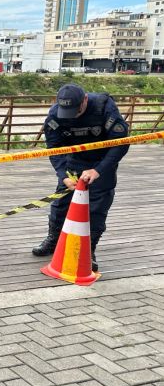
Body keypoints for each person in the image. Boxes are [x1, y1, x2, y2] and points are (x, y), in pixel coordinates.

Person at [32, 83, 129, 271]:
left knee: (97, 207)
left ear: (85, 99)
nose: (73, 116)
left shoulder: (104, 107)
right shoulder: (55, 115)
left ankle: (88, 250)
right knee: (61, 203)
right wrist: (63, 175)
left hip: (102, 162)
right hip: (74, 161)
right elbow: (54, 148)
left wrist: (98, 170)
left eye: (76, 111)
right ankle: (54, 239)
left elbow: (121, 143)